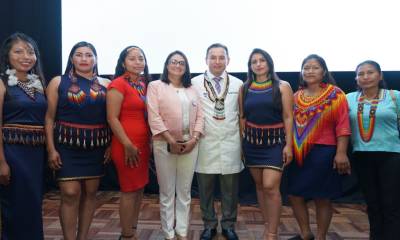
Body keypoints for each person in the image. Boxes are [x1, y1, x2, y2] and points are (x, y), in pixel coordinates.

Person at [45, 41, 110, 240]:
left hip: (96, 146)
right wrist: (51, 149)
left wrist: (110, 145)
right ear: (71, 58)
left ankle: (82, 237)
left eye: (89, 55)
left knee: (91, 194)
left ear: (96, 59)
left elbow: (111, 119)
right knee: (70, 193)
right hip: (66, 146)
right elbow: (49, 118)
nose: (84, 59)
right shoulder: (58, 81)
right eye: (79, 54)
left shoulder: (106, 84)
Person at [287, 54, 351, 240]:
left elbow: (343, 125)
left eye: (315, 67)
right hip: (299, 154)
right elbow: (289, 124)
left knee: (322, 197)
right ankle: (306, 233)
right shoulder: (296, 96)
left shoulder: (335, 94)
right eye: (306, 67)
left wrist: (341, 153)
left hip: (325, 152)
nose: (310, 71)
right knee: (294, 195)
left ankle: (321, 236)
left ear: (323, 71)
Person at [147, 50, 204, 240]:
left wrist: (194, 139)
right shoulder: (155, 86)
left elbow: (201, 117)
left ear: (186, 67)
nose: (177, 65)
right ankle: (168, 233)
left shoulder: (193, 89)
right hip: (164, 145)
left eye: (182, 63)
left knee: (185, 192)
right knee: (167, 192)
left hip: (190, 145)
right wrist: (170, 140)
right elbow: (154, 117)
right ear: (166, 65)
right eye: (173, 61)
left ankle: (182, 232)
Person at [239, 48, 293, 240]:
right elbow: (242, 118)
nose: (258, 64)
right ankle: (267, 224)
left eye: (262, 60)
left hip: (275, 143)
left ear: (269, 63)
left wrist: (289, 145)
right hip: (251, 143)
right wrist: (241, 144)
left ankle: (272, 233)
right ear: (250, 66)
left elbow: (288, 117)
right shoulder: (245, 88)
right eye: (254, 61)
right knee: (260, 186)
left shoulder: (283, 86)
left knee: (270, 186)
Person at [191, 43, 243, 240]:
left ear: (228, 60)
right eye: (213, 57)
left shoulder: (238, 84)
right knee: (205, 190)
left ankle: (229, 225)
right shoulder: (194, 83)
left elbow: (241, 116)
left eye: (222, 57)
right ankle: (209, 224)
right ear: (206, 60)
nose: (217, 61)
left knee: (231, 190)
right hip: (205, 143)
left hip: (231, 143)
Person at [0, 32, 47, 240]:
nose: (26, 56)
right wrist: (1, 162)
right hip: (12, 154)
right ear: (7, 56)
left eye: (30, 52)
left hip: (35, 155)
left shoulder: (38, 85)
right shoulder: (2, 84)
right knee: (15, 206)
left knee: (33, 205)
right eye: (18, 51)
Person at [346, 60, 400, 239]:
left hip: (391, 156)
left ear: (380, 75)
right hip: (361, 156)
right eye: (361, 74)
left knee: (391, 203)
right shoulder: (349, 98)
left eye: (370, 72)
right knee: (372, 203)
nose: (365, 77)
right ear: (356, 78)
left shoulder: (394, 96)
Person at [107, 46, 151, 240]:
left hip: (142, 144)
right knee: (129, 189)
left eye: (141, 58)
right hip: (125, 145)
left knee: (139, 187)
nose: (137, 61)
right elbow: (112, 118)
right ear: (123, 62)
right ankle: (126, 235)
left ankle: (132, 227)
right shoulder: (118, 84)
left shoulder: (144, 84)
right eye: (132, 58)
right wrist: (127, 144)